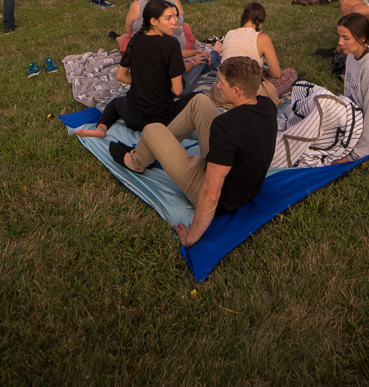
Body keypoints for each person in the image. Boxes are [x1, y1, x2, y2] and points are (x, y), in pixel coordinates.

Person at [109, 55, 278, 247]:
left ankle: (135, 161)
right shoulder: (267, 105)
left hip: (222, 199)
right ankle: (152, 148)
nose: (217, 86)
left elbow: (211, 193)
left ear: (237, 91)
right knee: (200, 102)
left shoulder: (226, 127)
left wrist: (191, 238)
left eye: (221, 83)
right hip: (246, 186)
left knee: (152, 129)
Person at [74, 0, 194, 138]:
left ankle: (101, 129)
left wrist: (145, 83)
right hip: (161, 121)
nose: (175, 21)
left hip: (133, 117)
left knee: (115, 103)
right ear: (154, 21)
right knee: (197, 98)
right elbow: (177, 90)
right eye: (168, 18)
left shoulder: (135, 39)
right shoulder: (171, 44)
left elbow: (121, 76)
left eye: (175, 16)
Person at [326, 14, 369, 161]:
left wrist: (352, 156)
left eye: (345, 38)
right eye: (340, 37)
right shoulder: (352, 54)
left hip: (365, 125)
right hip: (352, 114)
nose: (340, 42)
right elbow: (349, 92)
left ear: (361, 38)